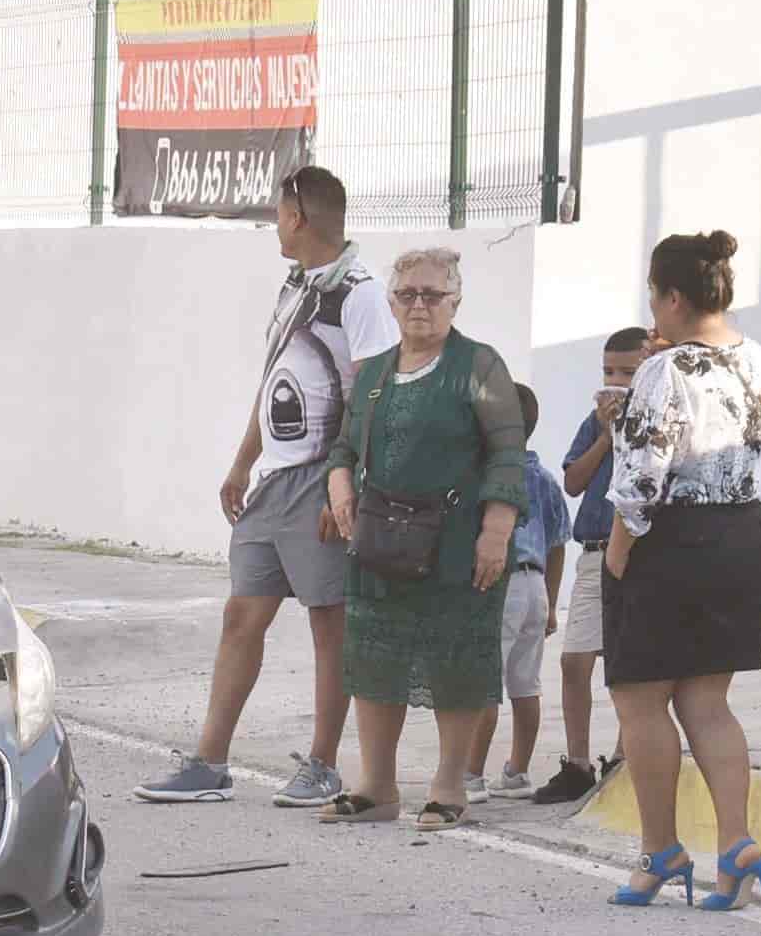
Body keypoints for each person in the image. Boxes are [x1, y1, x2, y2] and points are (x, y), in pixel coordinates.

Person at [137, 165, 401, 807]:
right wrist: (240, 463)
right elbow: (276, 382)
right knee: (241, 615)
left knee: (328, 624)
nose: (274, 223)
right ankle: (209, 762)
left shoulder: (360, 293)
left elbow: (374, 395)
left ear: (299, 216)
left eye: (279, 212)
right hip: (276, 480)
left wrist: (347, 485)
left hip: (322, 478)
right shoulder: (296, 288)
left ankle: (323, 765)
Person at [318, 247, 529, 829]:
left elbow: (509, 454)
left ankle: (447, 786)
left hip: (458, 545)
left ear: (455, 301)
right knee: (374, 658)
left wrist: (497, 529)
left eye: (432, 295)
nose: (419, 305)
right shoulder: (376, 373)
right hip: (382, 542)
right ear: (390, 302)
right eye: (408, 294)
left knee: (454, 661)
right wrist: (339, 486)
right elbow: (342, 447)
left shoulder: (479, 365)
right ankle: (377, 787)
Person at [604, 231, 761, 909]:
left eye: (654, 294)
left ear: (672, 296)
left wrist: (621, 548)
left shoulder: (663, 369)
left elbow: (642, 473)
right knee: (707, 699)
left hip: (671, 541)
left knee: (639, 699)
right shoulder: (756, 355)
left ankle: (661, 852)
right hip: (743, 534)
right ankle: (736, 844)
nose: (651, 307)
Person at [533, 326, 652, 804]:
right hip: (594, 551)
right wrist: (605, 434)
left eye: (628, 371)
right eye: (609, 371)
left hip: (641, 555)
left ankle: (624, 759)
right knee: (574, 660)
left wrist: (626, 432)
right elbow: (575, 482)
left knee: (630, 663)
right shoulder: (595, 420)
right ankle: (578, 763)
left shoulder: (656, 420)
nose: (616, 380)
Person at [467, 383, 570, 799]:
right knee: (525, 684)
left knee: (483, 683)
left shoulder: (486, 479)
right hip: (535, 586)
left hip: (500, 586)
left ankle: (470, 774)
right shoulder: (545, 479)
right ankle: (517, 772)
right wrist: (550, 604)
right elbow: (559, 543)